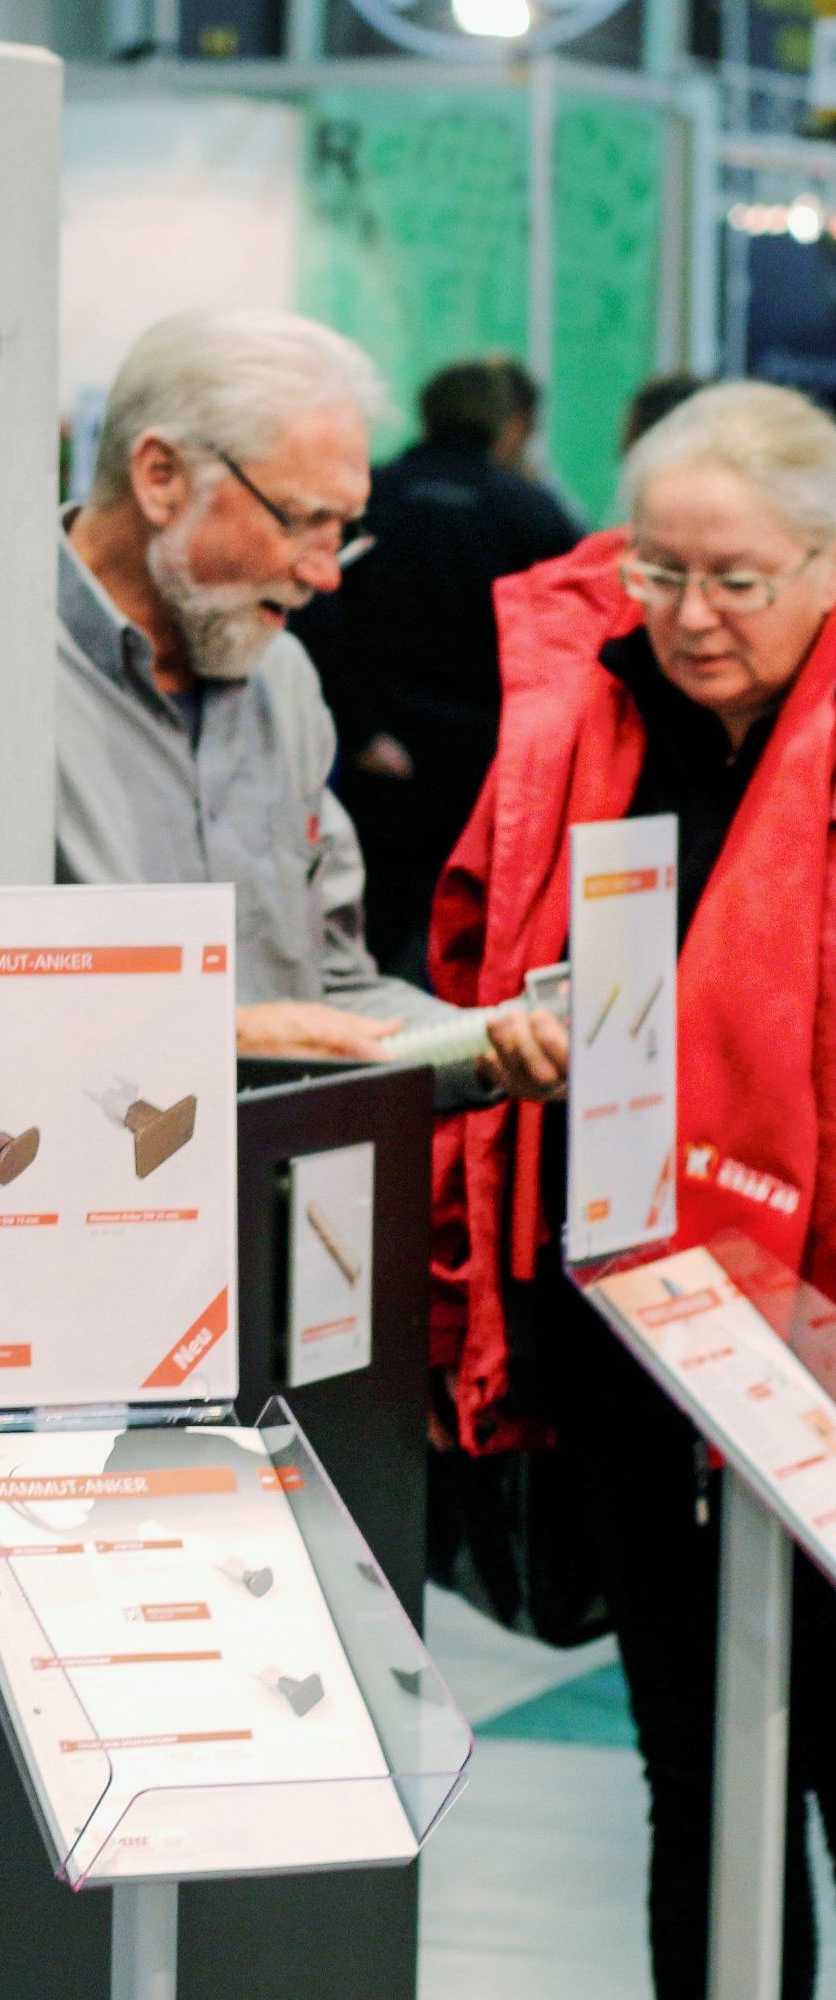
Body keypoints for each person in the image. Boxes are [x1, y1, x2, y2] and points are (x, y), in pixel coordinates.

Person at [431, 380, 836, 1997]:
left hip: (816, 1319)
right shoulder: (590, 706)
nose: (688, 615)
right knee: (697, 1763)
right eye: (658, 571)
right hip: (626, 1304)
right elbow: (487, 934)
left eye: (735, 579)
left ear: (823, 565)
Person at [57, 306, 553, 1102]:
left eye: (344, 533)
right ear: (160, 476)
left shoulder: (282, 682)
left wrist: (482, 1047)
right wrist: (214, 1043)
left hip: (273, 1200)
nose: (326, 575)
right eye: (300, 522)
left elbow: (333, 990)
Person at [302, 358, 579, 984]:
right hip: (489, 756)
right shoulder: (529, 510)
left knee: (367, 930)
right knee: (477, 931)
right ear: (510, 424)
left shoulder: (369, 498)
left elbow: (319, 619)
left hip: (380, 753)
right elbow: (571, 639)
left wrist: (361, 728)